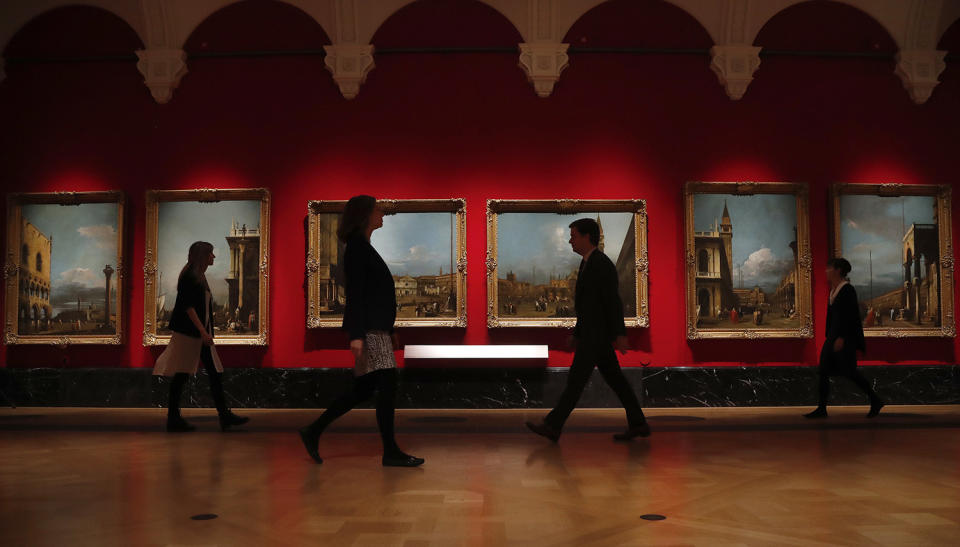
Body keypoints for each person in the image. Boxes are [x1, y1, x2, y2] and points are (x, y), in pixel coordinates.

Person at [298, 195, 424, 467]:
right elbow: (356, 295)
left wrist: (390, 329)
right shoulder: (356, 248)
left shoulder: (362, 246)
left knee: (364, 389)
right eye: (377, 209)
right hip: (368, 330)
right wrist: (355, 334)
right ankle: (389, 451)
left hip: (376, 329)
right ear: (365, 214)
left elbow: (374, 293)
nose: (381, 214)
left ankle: (313, 430)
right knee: (386, 386)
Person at [526, 218, 650, 442]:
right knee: (615, 380)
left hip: (596, 338)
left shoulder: (601, 264)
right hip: (594, 337)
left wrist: (620, 334)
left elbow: (612, 302)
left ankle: (553, 426)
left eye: (574, 236)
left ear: (587, 237)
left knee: (576, 380)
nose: (570, 240)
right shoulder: (587, 263)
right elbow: (587, 307)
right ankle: (639, 423)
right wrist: (577, 334)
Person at [153, 241, 249, 432]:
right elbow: (188, 307)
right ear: (202, 256)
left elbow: (198, 307)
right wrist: (203, 332)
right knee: (183, 373)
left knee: (208, 373)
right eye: (210, 253)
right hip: (192, 333)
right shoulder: (190, 276)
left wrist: (204, 331)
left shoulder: (198, 275)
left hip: (197, 333)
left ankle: (220, 415)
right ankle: (177, 418)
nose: (213, 256)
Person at [805, 258, 884, 419]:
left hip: (843, 338)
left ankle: (875, 400)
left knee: (850, 372)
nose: (826, 271)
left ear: (838, 270)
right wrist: (830, 335)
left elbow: (850, 317)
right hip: (833, 336)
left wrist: (841, 337)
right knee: (824, 371)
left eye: (829, 268)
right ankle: (822, 409)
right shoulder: (834, 290)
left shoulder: (847, 290)